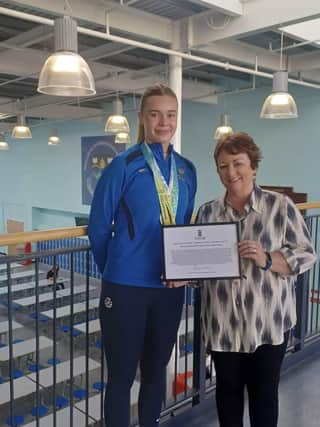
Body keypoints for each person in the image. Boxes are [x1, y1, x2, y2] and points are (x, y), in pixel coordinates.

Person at [88, 84, 197, 427]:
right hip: (126, 288)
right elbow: (98, 227)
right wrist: (117, 270)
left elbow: (183, 224)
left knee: (155, 373)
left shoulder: (187, 169)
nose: (164, 122)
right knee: (120, 378)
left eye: (170, 114)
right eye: (155, 114)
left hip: (169, 288)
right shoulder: (123, 164)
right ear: (142, 117)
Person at [195, 132, 316, 427]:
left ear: (253, 166)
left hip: (268, 323)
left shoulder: (280, 206)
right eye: (223, 166)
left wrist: (267, 259)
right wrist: (180, 276)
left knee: (264, 398)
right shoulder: (208, 212)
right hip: (223, 324)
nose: (231, 173)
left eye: (238, 163)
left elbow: (306, 254)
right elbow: (199, 270)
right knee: (227, 396)